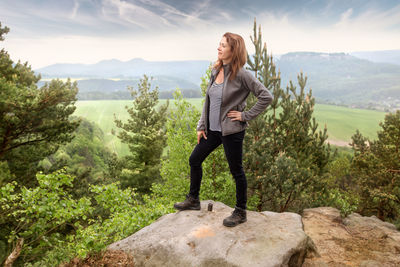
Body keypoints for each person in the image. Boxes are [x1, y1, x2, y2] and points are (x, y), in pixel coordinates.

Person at [173, 32, 273, 227]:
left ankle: (240, 212)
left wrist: (245, 116)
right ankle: (193, 200)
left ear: (233, 50)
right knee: (194, 159)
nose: (218, 48)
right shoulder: (215, 70)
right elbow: (208, 101)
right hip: (213, 131)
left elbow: (266, 96)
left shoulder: (242, 75)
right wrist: (201, 125)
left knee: (236, 171)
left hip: (232, 131)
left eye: (223, 45)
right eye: (219, 44)